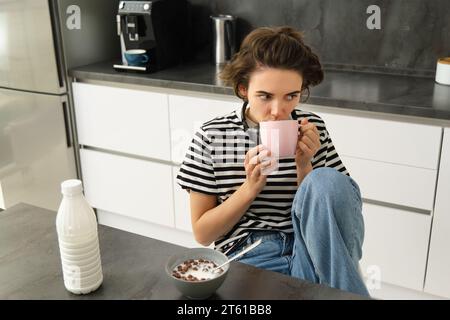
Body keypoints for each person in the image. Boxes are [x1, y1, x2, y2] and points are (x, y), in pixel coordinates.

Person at [176, 26, 369, 297]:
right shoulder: (212, 136)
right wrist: (249, 188)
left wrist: (305, 166)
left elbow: (340, 206)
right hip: (250, 252)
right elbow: (202, 233)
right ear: (243, 89)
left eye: (291, 96)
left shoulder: (313, 129)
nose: (278, 111)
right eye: (265, 96)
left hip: (312, 248)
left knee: (327, 180)